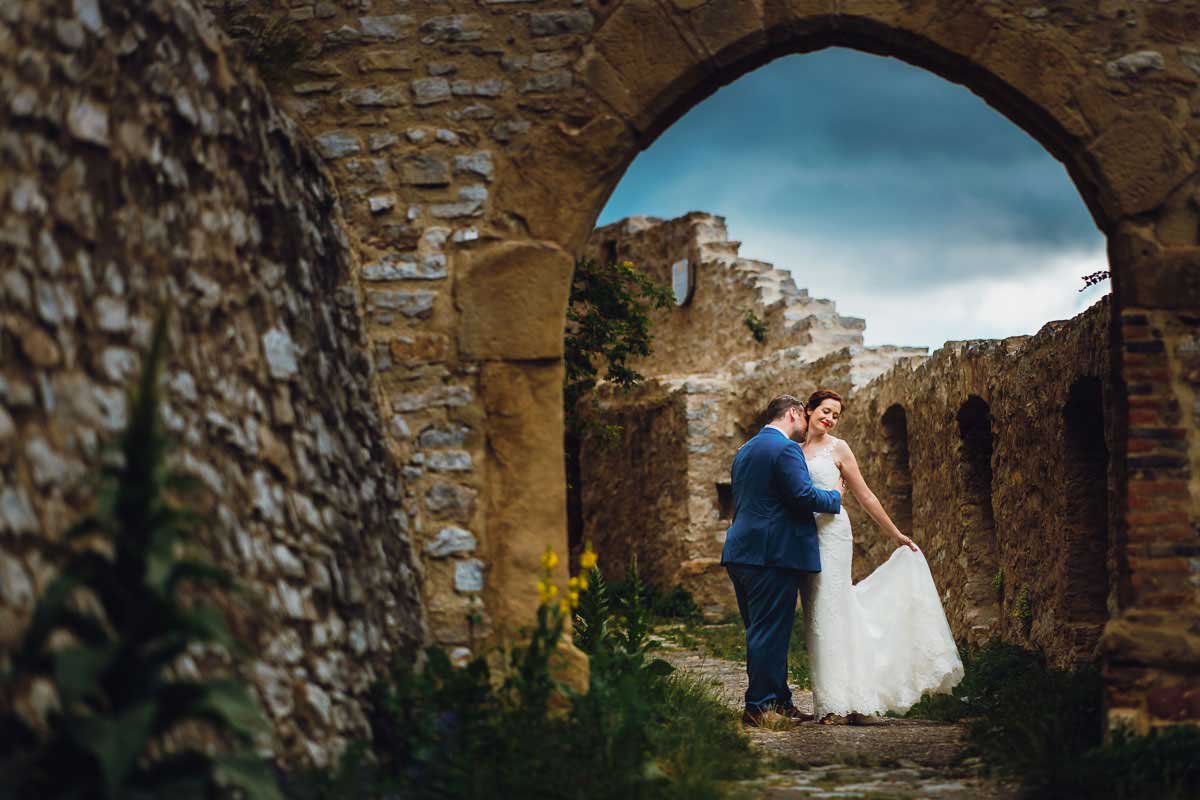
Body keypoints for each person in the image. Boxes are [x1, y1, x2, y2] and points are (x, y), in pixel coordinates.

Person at [799, 389, 964, 723]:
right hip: (804, 538)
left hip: (832, 536)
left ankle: (850, 703)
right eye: (825, 411)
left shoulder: (839, 448)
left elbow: (866, 496)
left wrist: (895, 534)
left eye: (836, 415)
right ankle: (830, 702)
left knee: (834, 609)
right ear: (809, 410)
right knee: (816, 616)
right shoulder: (793, 451)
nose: (830, 419)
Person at [720, 394, 843, 726]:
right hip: (771, 555)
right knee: (768, 634)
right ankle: (759, 707)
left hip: (741, 552)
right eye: (803, 417)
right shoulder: (786, 448)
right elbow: (802, 495)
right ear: (792, 413)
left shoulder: (745, 450)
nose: (805, 424)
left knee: (762, 631)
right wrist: (835, 497)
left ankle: (781, 701)